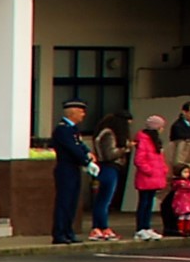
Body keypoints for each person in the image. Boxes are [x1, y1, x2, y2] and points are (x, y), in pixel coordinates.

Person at [49, 98, 94, 244]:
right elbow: (72, 148)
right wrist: (85, 160)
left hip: (74, 168)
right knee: (64, 201)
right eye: (81, 111)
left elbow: (80, 145)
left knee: (72, 202)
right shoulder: (62, 130)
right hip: (65, 168)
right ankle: (60, 233)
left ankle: (68, 231)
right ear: (72, 112)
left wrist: (88, 154)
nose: (83, 115)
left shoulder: (73, 129)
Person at [88, 110, 132, 240]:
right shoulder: (109, 134)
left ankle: (99, 227)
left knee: (101, 200)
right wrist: (126, 148)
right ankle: (101, 227)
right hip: (109, 167)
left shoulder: (102, 132)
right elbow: (110, 154)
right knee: (104, 200)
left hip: (104, 168)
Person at [131, 115, 168, 240]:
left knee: (148, 203)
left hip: (153, 176)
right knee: (144, 202)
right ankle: (141, 228)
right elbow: (139, 160)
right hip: (148, 176)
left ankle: (146, 227)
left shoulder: (154, 141)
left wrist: (163, 169)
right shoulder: (145, 140)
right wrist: (151, 171)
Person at [168, 163, 190, 237]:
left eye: (188, 172)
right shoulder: (180, 182)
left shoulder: (187, 181)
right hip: (182, 202)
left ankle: (188, 229)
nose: (187, 174)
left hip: (189, 202)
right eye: (185, 172)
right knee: (182, 216)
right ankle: (181, 230)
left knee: (189, 215)